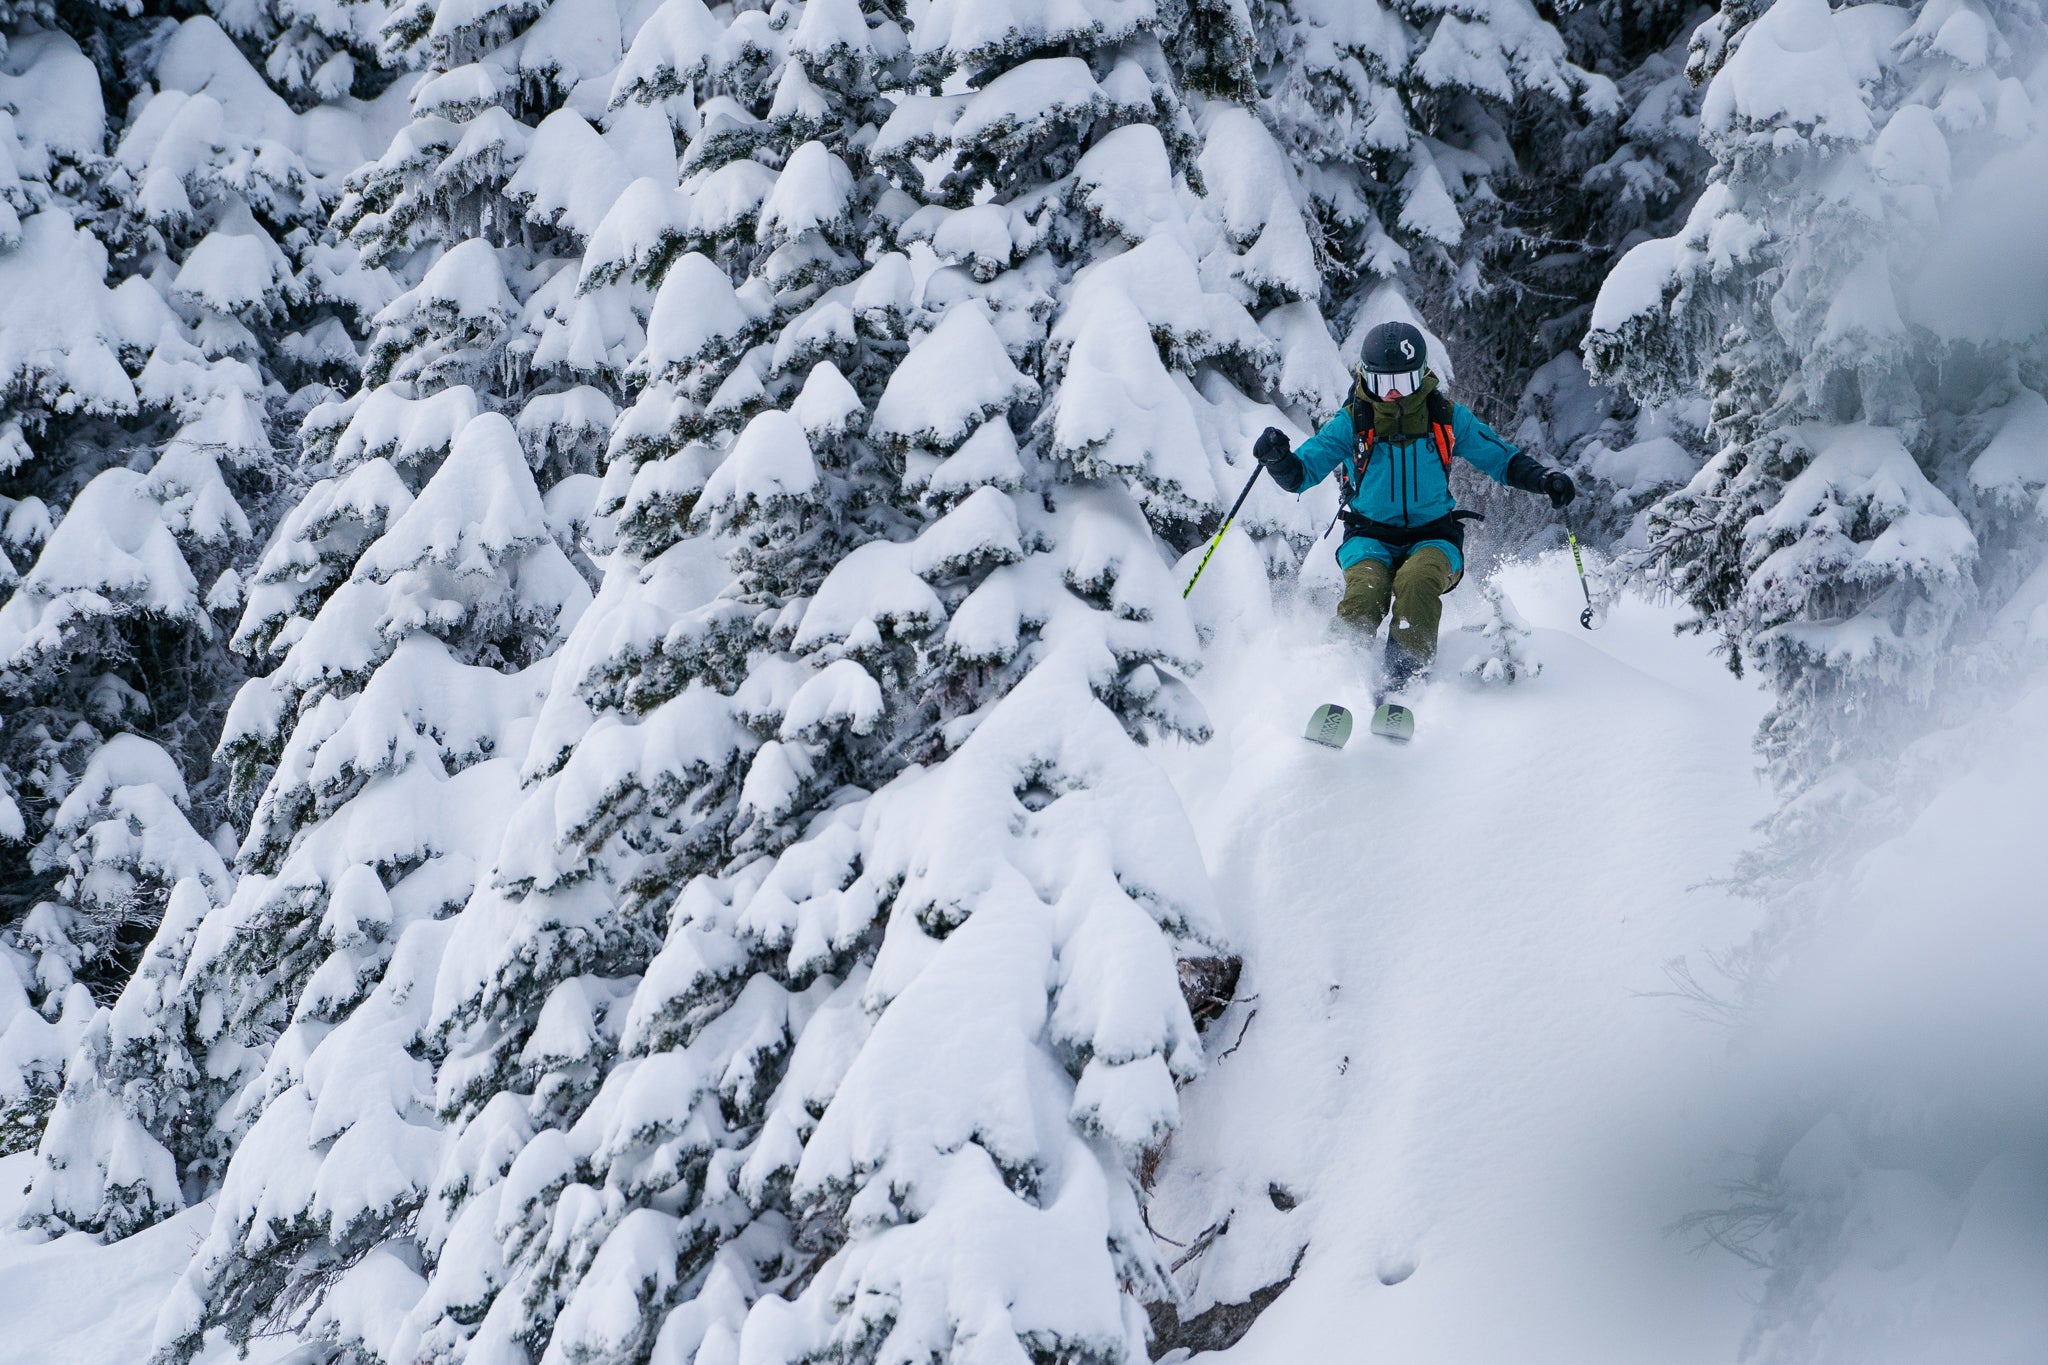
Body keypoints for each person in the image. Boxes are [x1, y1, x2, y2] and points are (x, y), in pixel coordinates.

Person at [1253, 320, 1575, 695]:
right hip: (1368, 536)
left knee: (1417, 581)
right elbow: (1302, 472)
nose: (1392, 394)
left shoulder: (1445, 417)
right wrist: (1279, 460)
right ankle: (1334, 680)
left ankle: (1403, 682)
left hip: (1434, 536)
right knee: (1365, 593)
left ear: (1422, 376)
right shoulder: (1353, 422)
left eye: (1403, 383)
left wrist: (1543, 479)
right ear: (1364, 377)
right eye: (1381, 383)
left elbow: (1500, 458)